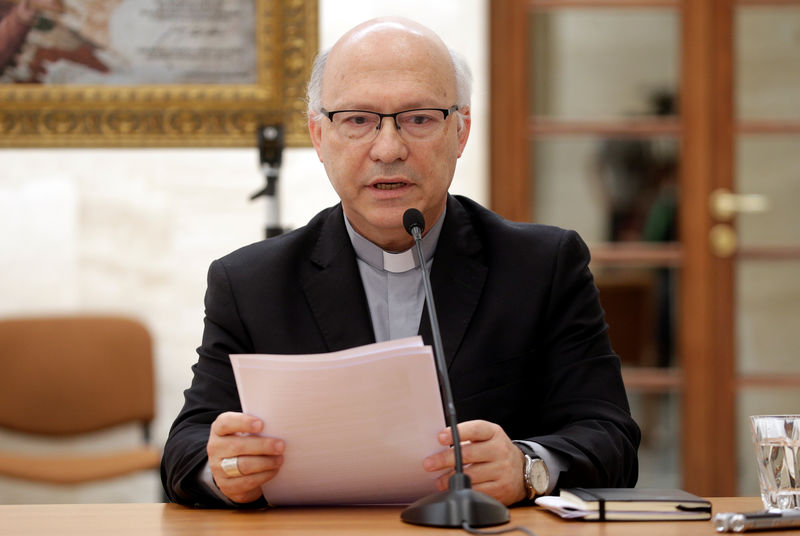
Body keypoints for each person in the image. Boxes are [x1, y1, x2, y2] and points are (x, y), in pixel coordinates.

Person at [161, 17, 640, 508]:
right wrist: (224, 470)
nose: (388, 149)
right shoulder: (250, 283)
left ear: (461, 131)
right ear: (319, 137)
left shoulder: (542, 266)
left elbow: (611, 439)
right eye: (358, 119)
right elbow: (185, 449)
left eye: (419, 118)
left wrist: (527, 466)